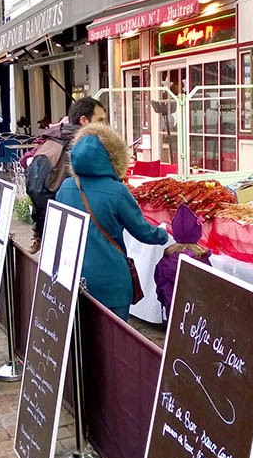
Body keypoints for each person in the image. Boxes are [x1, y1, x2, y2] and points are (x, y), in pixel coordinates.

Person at [54, 123, 168, 320]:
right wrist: (164, 233)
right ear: (113, 157)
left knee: (84, 341)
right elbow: (144, 232)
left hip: (74, 275)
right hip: (111, 281)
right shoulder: (117, 191)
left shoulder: (66, 186)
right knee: (113, 344)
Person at [26, 97, 106, 253]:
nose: (104, 125)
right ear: (84, 120)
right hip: (73, 218)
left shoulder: (53, 138)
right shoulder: (83, 144)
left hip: (49, 215)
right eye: (100, 120)